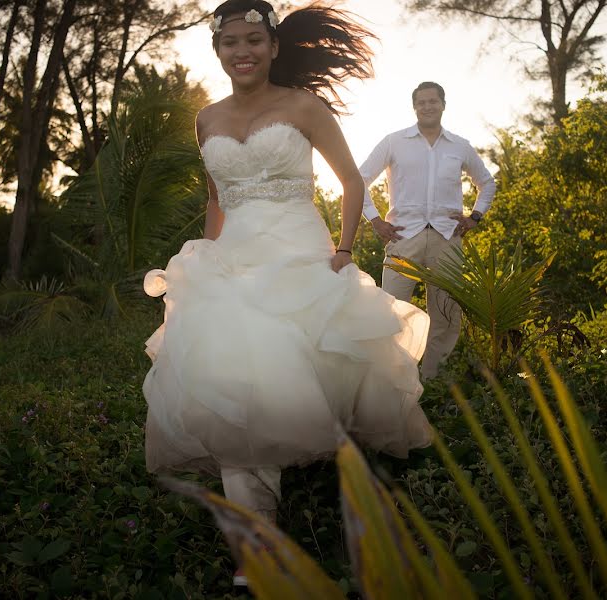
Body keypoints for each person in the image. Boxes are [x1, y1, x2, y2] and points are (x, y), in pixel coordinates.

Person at [140, 0, 432, 586]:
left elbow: (351, 181)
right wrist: (208, 255)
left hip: (301, 250)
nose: (241, 52)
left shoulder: (304, 106)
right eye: (230, 44)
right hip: (236, 255)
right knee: (234, 371)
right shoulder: (206, 118)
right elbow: (218, 197)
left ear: (273, 47)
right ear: (218, 52)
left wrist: (345, 252)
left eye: (253, 40)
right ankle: (260, 541)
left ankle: (349, 484)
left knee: (320, 369)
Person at [358, 82, 497, 379]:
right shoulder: (394, 142)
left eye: (433, 101)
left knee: (446, 314)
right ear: (414, 107)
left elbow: (487, 182)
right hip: (402, 236)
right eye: (421, 102)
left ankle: (433, 380)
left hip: (448, 238)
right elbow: (359, 180)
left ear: (444, 104)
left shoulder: (459, 145)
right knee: (391, 311)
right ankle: (395, 377)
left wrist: (475, 217)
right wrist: (375, 220)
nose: (427, 106)